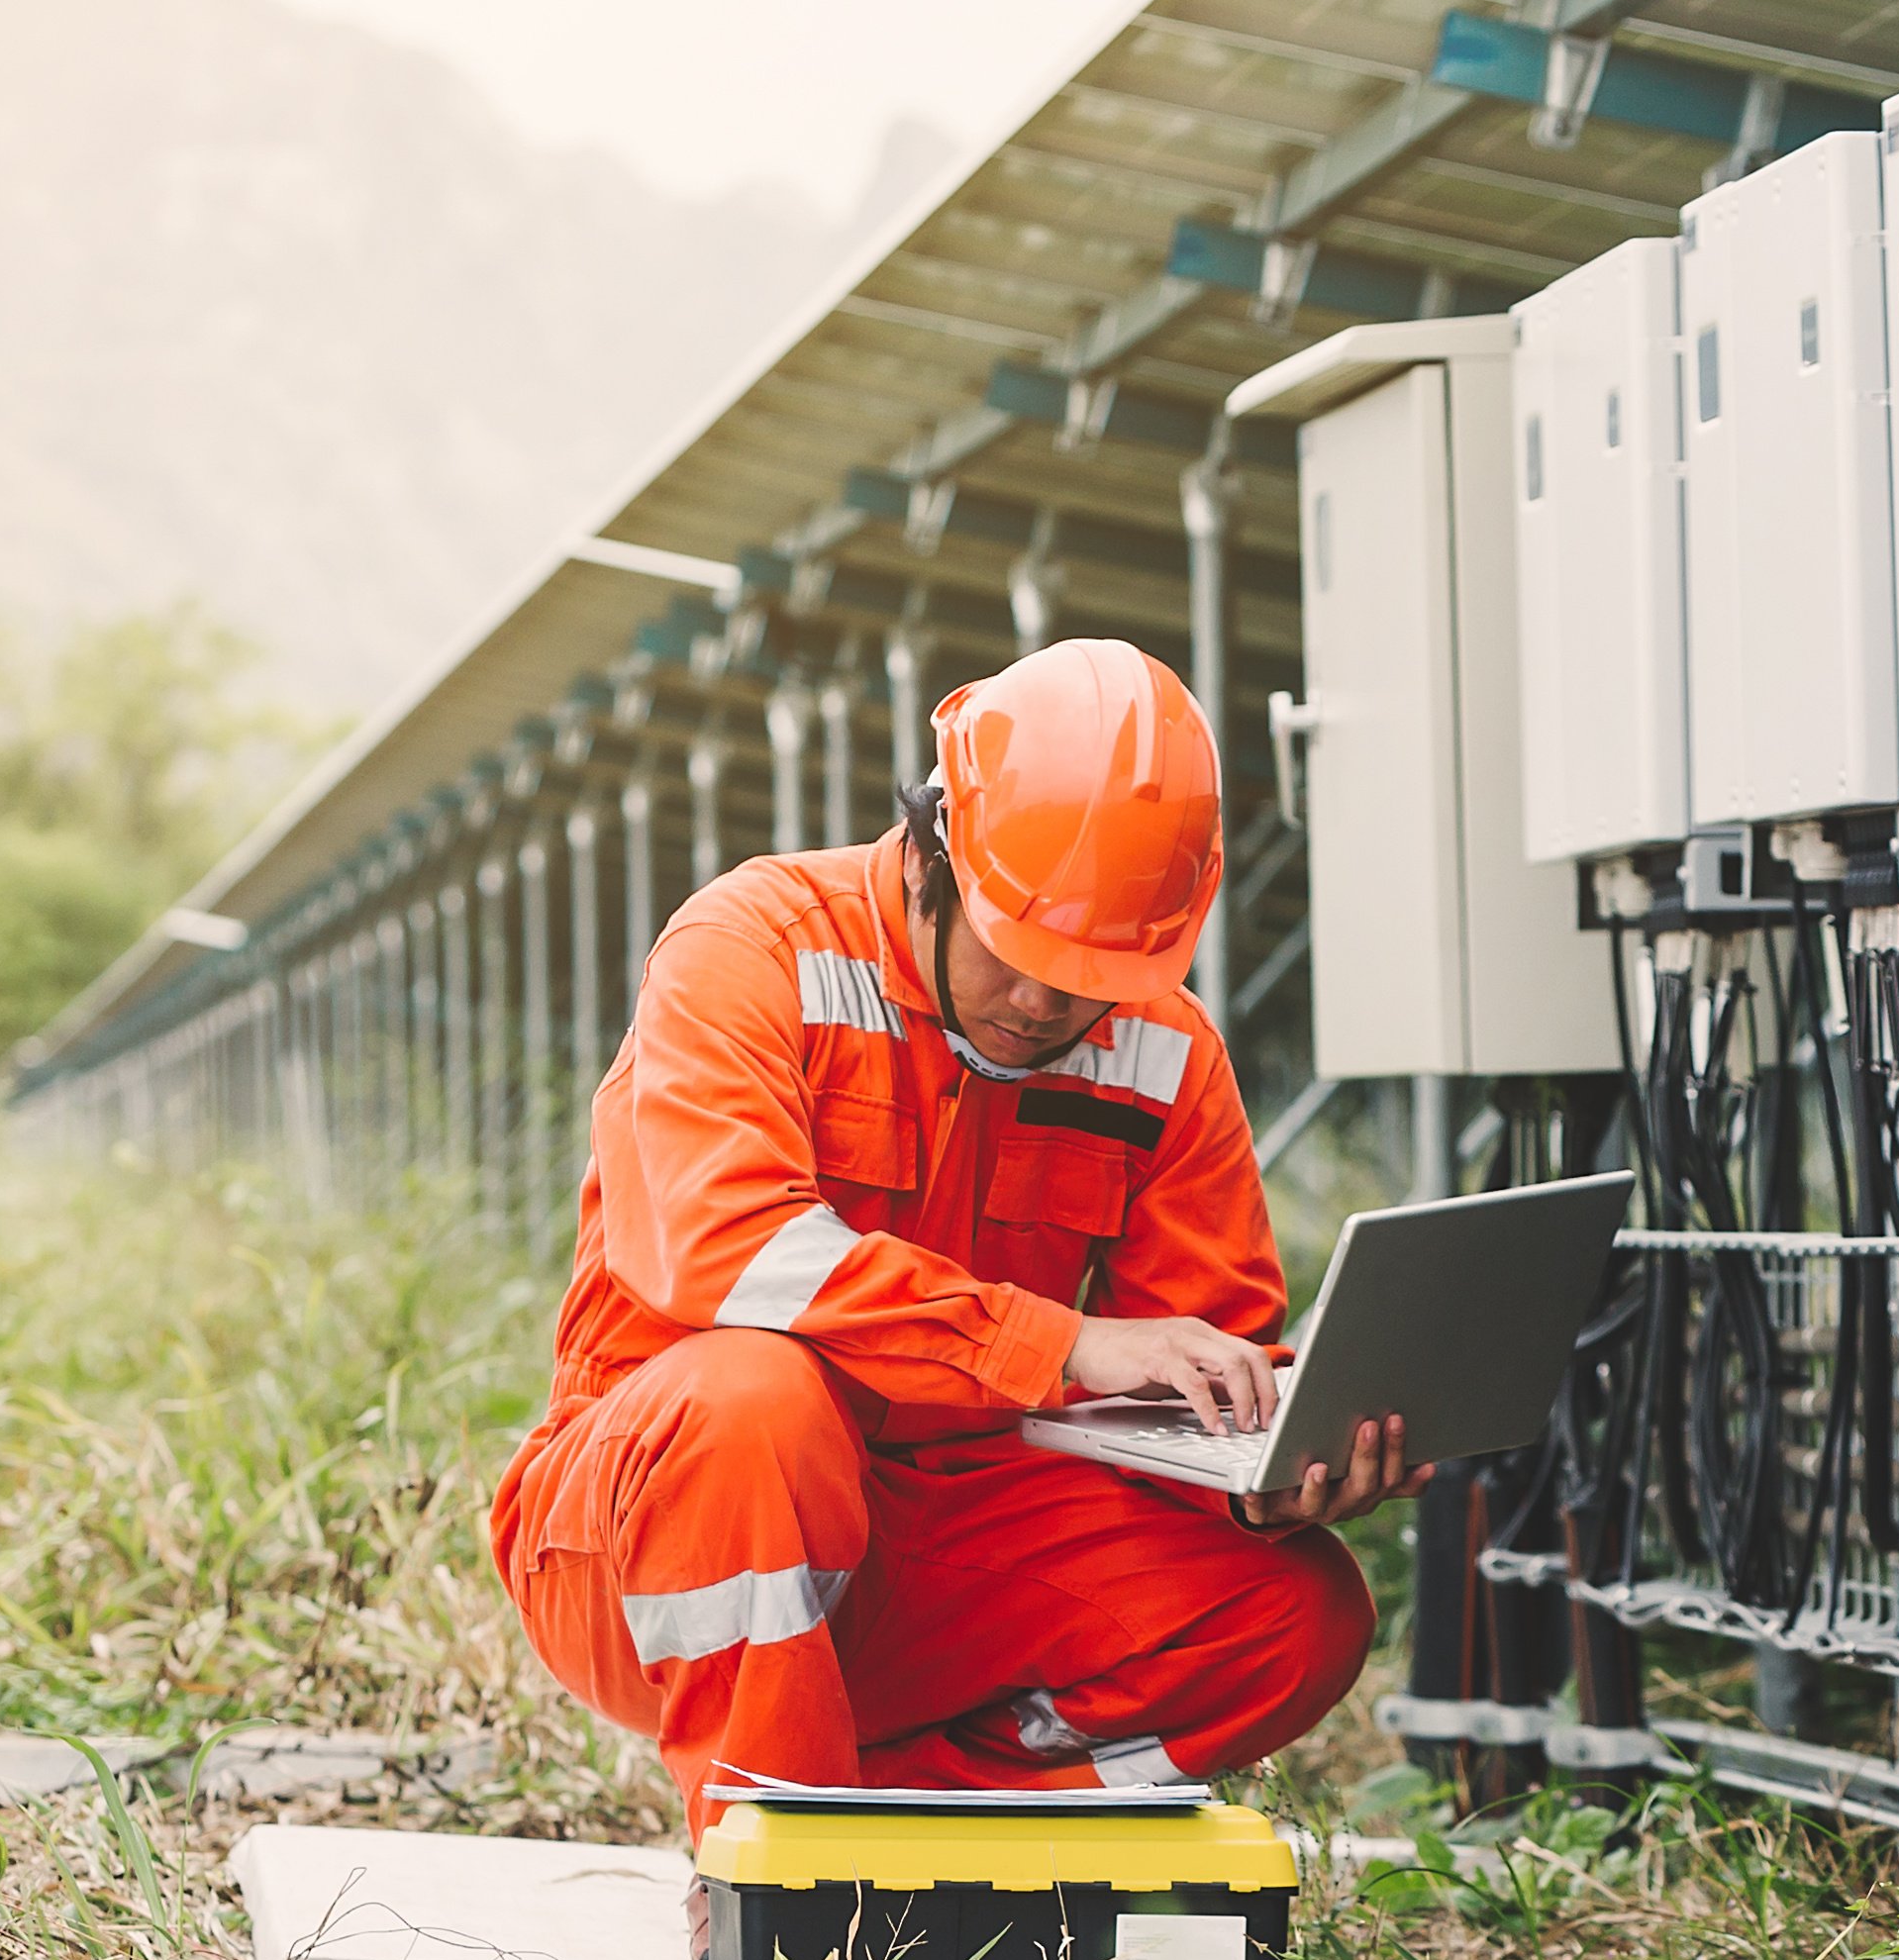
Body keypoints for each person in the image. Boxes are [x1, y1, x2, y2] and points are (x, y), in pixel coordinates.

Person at [489, 637, 1431, 1833]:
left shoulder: (1167, 1051)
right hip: (653, 1531)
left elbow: (1198, 1364)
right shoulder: (750, 946)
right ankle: (773, 1860)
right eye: (1019, 952)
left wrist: (1267, 1469)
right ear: (934, 850)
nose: (1044, 1004)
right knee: (752, 1398)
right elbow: (725, 1248)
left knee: (1298, 1618)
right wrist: (1062, 1343)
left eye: (1091, 977)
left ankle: (929, 1826)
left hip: (940, 1545)